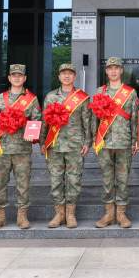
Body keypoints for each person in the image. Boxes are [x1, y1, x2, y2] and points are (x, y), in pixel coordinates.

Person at [0, 64, 41, 230]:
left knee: (23, 184)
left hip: (22, 149)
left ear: (24, 78)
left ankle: (22, 216)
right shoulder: (0, 98)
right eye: (14, 75)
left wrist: (30, 132)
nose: (17, 78)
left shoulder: (31, 99)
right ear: (9, 78)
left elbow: (37, 120)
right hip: (1, 148)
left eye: (20, 76)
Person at [41, 63, 92, 229]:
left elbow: (87, 121)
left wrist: (87, 142)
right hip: (54, 145)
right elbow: (44, 121)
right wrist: (42, 142)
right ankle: (59, 214)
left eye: (70, 73)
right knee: (56, 180)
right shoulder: (50, 97)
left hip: (75, 144)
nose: (67, 76)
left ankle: (70, 214)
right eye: (63, 73)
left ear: (74, 77)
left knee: (74, 180)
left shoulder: (82, 97)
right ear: (59, 76)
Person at [91, 57, 139, 228]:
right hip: (104, 142)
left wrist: (135, 140)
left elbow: (134, 118)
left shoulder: (130, 93)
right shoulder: (99, 92)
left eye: (116, 68)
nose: (113, 71)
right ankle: (109, 213)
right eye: (110, 68)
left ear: (121, 70)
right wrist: (94, 139)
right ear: (106, 71)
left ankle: (121, 213)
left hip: (124, 142)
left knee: (123, 179)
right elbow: (94, 119)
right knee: (107, 180)